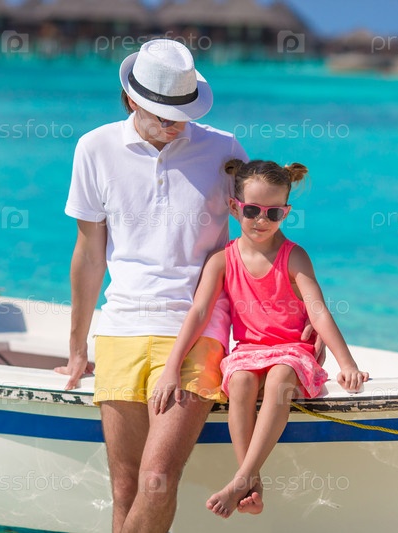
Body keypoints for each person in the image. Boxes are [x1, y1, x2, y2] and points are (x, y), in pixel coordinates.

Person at [56, 38, 250, 533]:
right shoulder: (94, 148)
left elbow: (257, 239)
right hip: (120, 327)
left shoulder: (224, 149)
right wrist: (77, 348)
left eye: (182, 113)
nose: (176, 124)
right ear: (131, 100)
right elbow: (89, 256)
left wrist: (293, 320)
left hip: (196, 327)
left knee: (158, 479)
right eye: (164, 114)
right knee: (125, 488)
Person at [151, 158, 369, 519]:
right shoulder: (223, 260)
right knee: (239, 380)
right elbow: (199, 312)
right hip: (249, 350)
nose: (262, 220)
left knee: (281, 374)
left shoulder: (294, 256)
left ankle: (242, 478)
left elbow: (318, 312)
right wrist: (172, 367)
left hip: (293, 350)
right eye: (252, 210)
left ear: (286, 212)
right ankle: (251, 481)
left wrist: (347, 363)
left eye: (273, 213)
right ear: (235, 207)